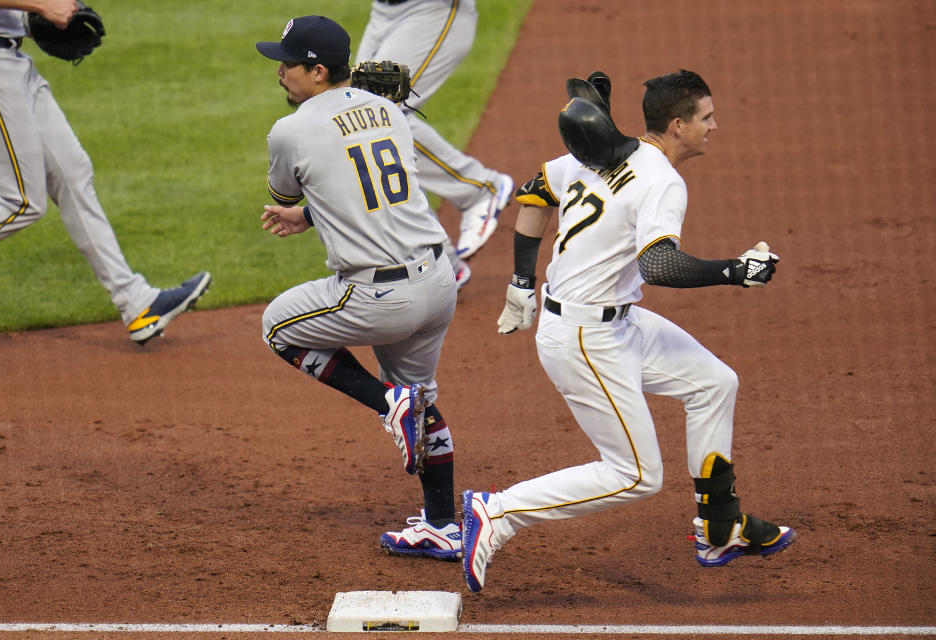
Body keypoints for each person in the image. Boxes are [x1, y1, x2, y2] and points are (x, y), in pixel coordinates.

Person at [460, 69, 796, 592]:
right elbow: (660, 266)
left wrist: (522, 281)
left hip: (617, 321)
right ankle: (499, 511)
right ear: (679, 125)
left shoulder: (597, 153)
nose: (715, 126)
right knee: (635, 476)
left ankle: (721, 525)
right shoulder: (662, 180)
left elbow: (534, 194)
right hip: (584, 340)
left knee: (714, 383)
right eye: (707, 118)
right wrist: (733, 270)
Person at [256, 15, 463, 561]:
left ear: (318, 71)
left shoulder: (290, 129)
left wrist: (298, 207)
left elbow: (286, 183)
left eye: (288, 63)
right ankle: (443, 523)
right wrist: (310, 216)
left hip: (378, 297)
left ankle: (384, 400)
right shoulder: (392, 111)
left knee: (277, 325)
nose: (279, 72)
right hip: (440, 282)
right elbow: (367, 195)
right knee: (425, 406)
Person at [0, 0, 210, 344]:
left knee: (73, 173)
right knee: (19, 200)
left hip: (10, 60)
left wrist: (33, 16)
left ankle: (135, 301)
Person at [356, 0, 515, 289]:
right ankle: (440, 260)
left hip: (430, 9)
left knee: (375, 115)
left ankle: (479, 189)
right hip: (384, 11)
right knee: (356, 118)